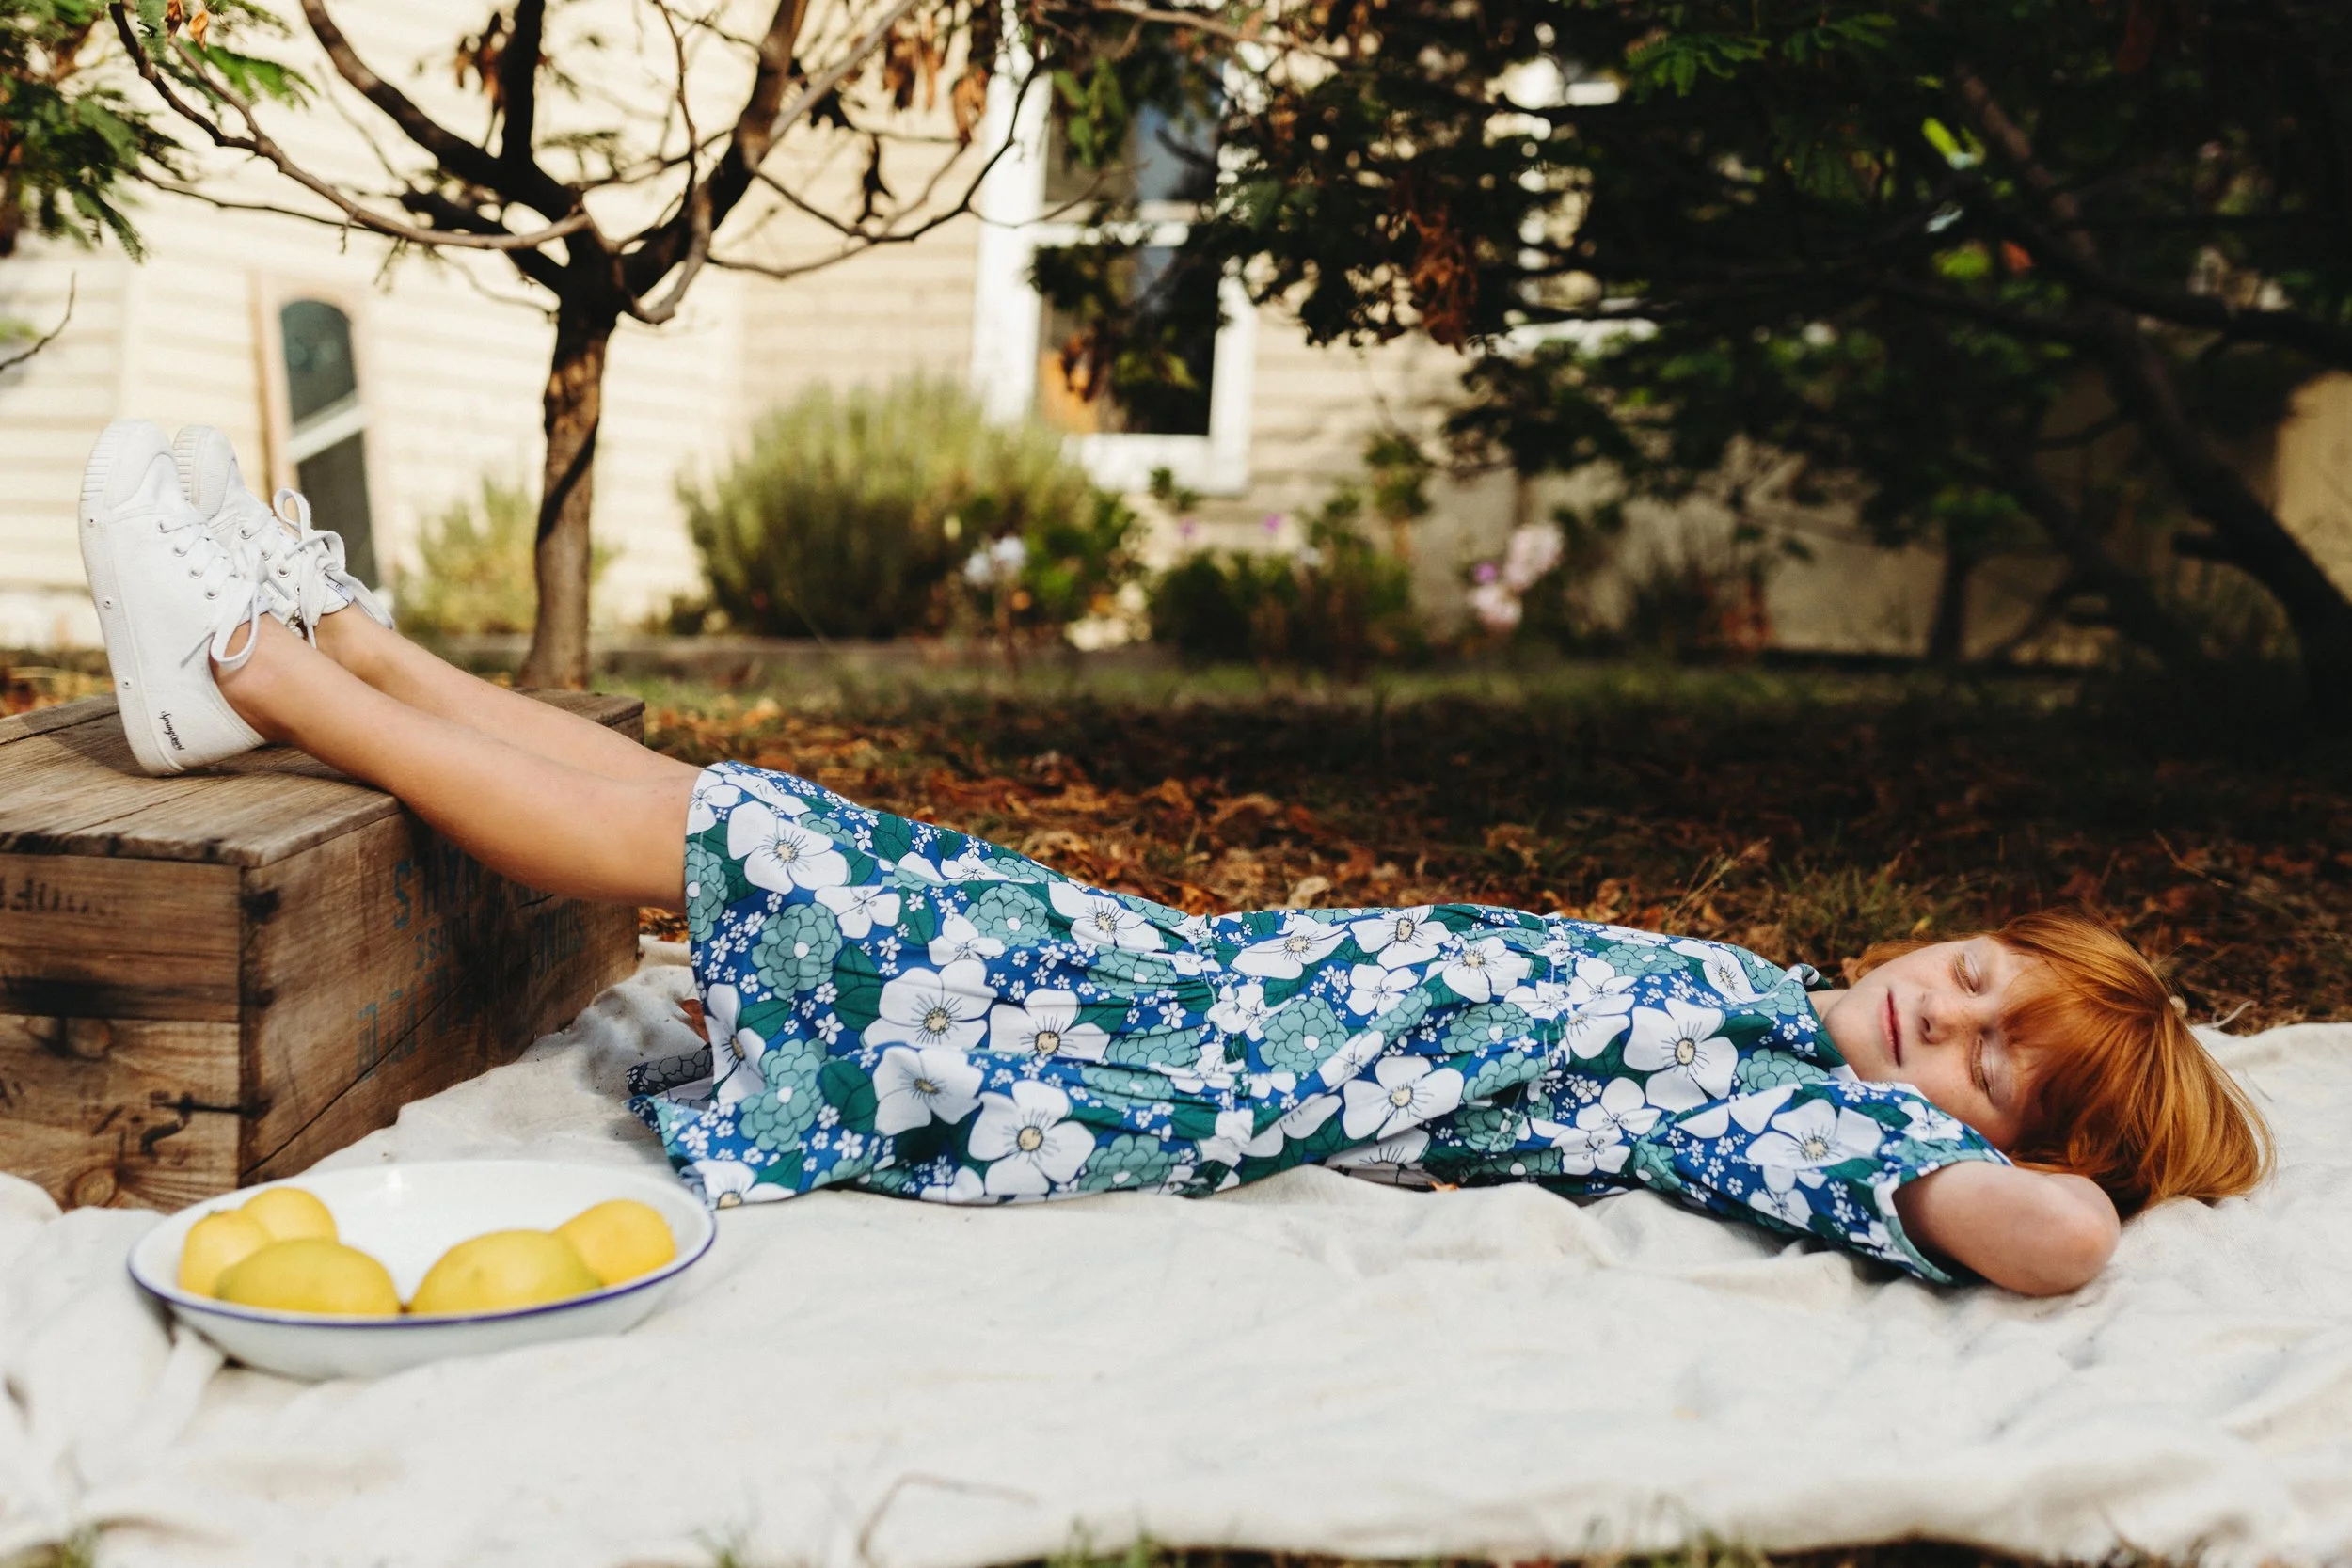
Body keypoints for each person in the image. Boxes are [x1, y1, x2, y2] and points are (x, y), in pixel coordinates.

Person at [73, 420, 2272, 1297]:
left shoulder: (1786, 1109)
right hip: (1149, 964)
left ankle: (262, 669)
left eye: (1991, 1061)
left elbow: (2047, 1244)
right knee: (742, 812)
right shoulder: (1743, 993)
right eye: (1978, 973)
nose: (1945, 1015)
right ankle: (340, 638)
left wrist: (2058, 1171)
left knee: (729, 833)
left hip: (1126, 1055)